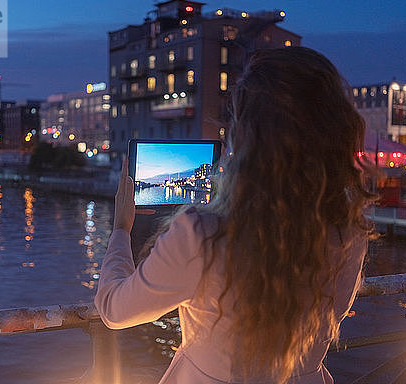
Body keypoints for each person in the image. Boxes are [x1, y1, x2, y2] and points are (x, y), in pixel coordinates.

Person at [94, 47, 376, 384]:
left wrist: (121, 230)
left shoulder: (202, 233)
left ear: (245, 137)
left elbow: (114, 309)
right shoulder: (349, 231)